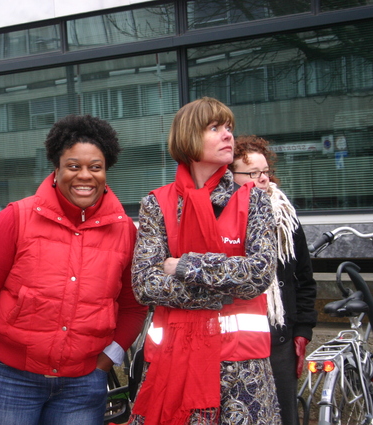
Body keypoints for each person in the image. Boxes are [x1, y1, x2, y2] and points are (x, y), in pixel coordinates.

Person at [0, 114, 147, 424]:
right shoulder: (16, 218)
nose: (85, 175)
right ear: (56, 170)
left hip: (82, 385)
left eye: (95, 167)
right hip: (9, 381)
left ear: (106, 171)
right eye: (73, 166)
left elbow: (133, 307)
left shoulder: (126, 231)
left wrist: (106, 361)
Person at [129, 97, 281, 425]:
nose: (228, 135)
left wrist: (185, 265)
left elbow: (258, 273)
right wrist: (222, 292)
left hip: (241, 372)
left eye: (229, 128)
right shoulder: (157, 204)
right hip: (174, 365)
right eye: (215, 128)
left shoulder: (253, 199)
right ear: (188, 138)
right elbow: (144, 283)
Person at [230, 135, 317, 425]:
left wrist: (302, 329)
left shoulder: (286, 216)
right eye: (252, 173)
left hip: (280, 337)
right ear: (231, 176)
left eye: (265, 171)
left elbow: (304, 278)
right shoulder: (225, 218)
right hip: (240, 342)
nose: (262, 178)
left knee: (285, 415)